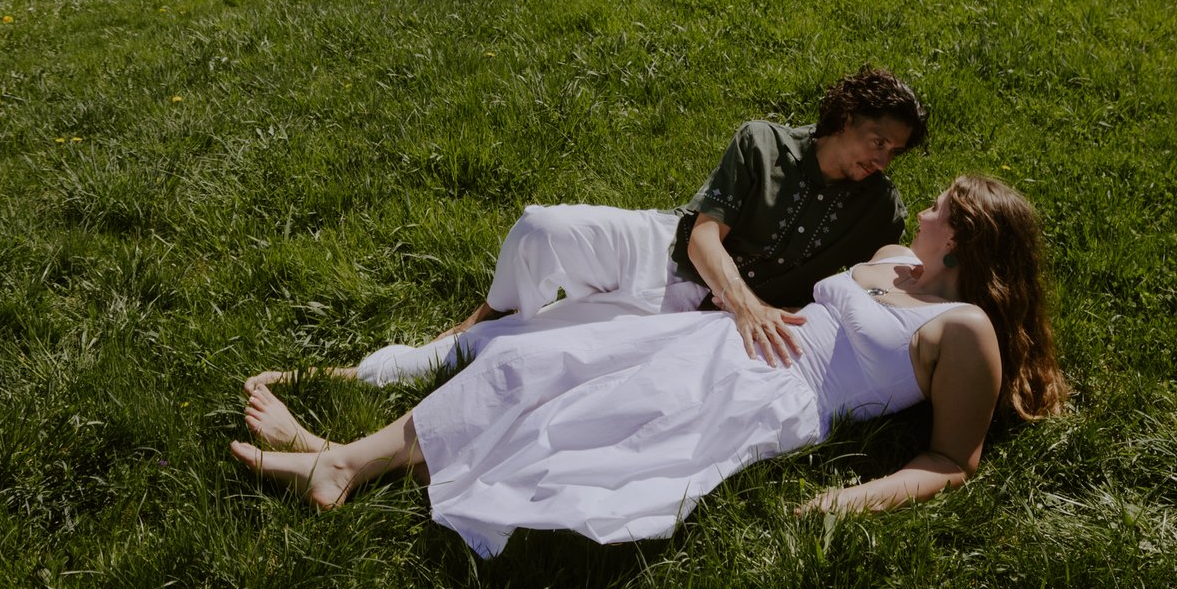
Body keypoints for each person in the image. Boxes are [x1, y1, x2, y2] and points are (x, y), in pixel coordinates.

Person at [230, 176, 1065, 556]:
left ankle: (340, 461)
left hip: (774, 390)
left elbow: (952, 461)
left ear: (959, 236)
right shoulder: (892, 257)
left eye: (938, 209)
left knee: (577, 432)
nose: (919, 210)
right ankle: (339, 459)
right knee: (539, 362)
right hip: (715, 340)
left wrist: (839, 503)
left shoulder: (963, 329)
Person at [347, 66, 927, 384]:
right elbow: (702, 237)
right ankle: (482, 312)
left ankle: (361, 373)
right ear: (846, 117)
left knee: (512, 350)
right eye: (878, 142)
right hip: (664, 249)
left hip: (692, 317)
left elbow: (890, 278)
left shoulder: (881, 207)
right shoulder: (764, 142)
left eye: (893, 153)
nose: (881, 161)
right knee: (539, 228)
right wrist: (745, 303)